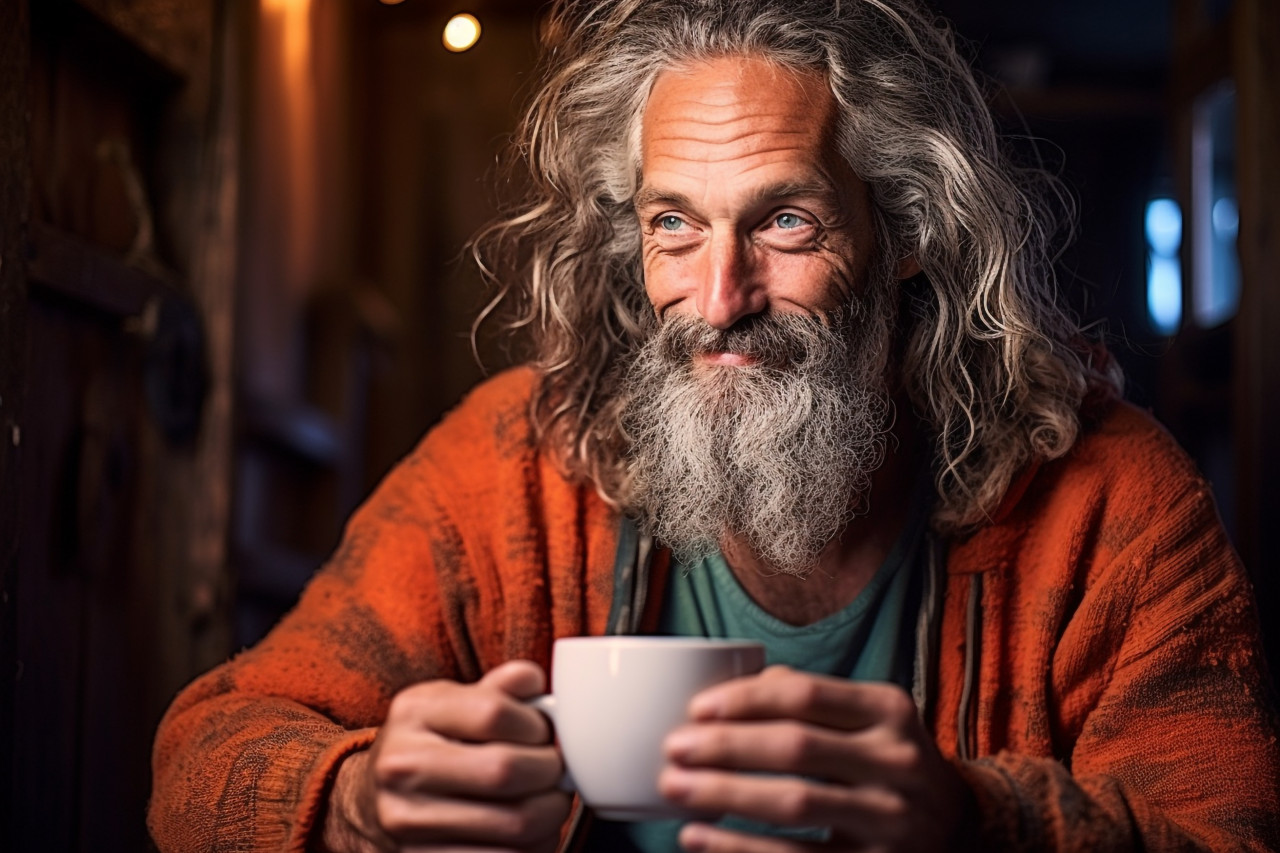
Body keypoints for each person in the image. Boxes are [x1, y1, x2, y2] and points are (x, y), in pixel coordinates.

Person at [149, 0, 1280, 850]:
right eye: (672, 225)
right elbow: (201, 761)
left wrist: (977, 823)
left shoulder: (1107, 498)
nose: (718, 293)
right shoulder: (518, 459)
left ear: (907, 234)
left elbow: (1225, 833)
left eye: (784, 220)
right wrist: (353, 797)